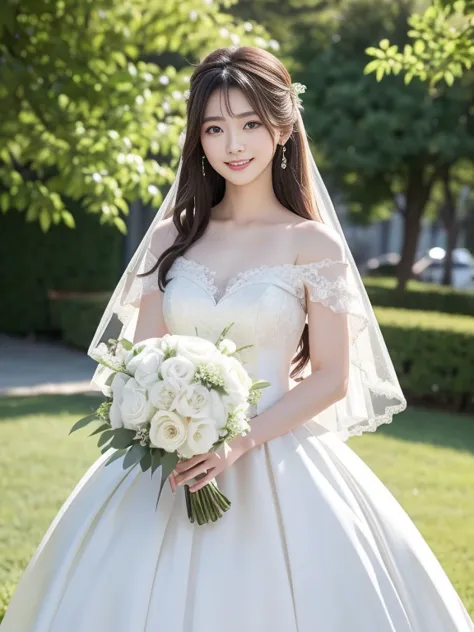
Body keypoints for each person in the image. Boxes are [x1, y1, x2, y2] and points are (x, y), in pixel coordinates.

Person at [2, 46, 473, 632]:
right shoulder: (172, 238)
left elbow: (331, 375)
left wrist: (234, 443)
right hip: (169, 460)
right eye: (215, 128)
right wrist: (158, 413)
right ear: (198, 138)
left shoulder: (313, 245)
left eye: (250, 123)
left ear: (282, 128)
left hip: (278, 454)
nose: (234, 144)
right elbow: (144, 357)